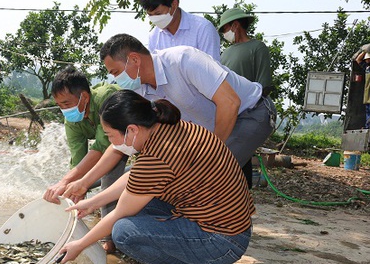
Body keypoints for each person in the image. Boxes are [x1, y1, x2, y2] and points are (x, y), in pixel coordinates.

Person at [58, 90, 255, 264]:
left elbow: (121, 212)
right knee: (141, 205)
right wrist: (93, 202)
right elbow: (135, 178)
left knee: (124, 232)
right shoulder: (170, 129)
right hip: (230, 225)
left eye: (111, 135)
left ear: (131, 129)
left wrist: (80, 244)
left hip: (223, 242)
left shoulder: (158, 156)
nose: (112, 143)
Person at [100, 33, 276, 167]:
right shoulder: (139, 91)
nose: (117, 80)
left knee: (208, 171)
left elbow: (230, 103)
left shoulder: (183, 60)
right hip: (209, 132)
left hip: (250, 113)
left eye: (116, 72)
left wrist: (208, 154)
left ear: (134, 59)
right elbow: (127, 136)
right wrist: (84, 181)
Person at [43, 66, 127, 252]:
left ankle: (110, 239)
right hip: (111, 147)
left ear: (85, 97)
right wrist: (70, 187)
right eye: (60, 106)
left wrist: (71, 182)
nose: (64, 110)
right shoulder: (72, 120)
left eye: (67, 103)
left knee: (109, 178)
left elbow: (101, 147)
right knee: (77, 184)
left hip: (127, 142)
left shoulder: (107, 98)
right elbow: (78, 158)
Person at [217, 7, 274, 188]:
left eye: (225, 29)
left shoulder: (257, 48)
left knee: (242, 155)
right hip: (226, 111)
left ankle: (242, 198)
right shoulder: (225, 53)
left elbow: (264, 85)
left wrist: (250, 107)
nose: (225, 33)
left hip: (249, 111)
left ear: (235, 25)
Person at [140, 0, 221, 62]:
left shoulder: (203, 29)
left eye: (158, 14)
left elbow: (212, 71)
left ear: (174, 4)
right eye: (150, 15)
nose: (155, 19)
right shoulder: (154, 37)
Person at [354, 48, 370, 129]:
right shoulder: (367, 68)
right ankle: (368, 128)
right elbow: (358, 60)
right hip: (368, 96)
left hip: (368, 97)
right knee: (368, 114)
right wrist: (365, 51)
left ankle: (368, 127)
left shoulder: (367, 68)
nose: (366, 60)